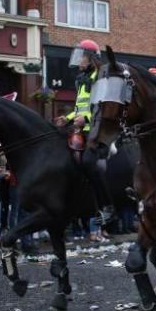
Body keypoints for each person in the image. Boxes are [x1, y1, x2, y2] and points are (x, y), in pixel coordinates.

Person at [55, 40, 115, 221]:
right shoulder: (81, 80)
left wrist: (86, 119)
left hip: (96, 131)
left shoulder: (100, 77)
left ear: (90, 59)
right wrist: (68, 118)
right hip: (80, 129)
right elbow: (81, 107)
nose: (78, 60)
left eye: (80, 56)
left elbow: (103, 106)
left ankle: (108, 206)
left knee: (89, 162)